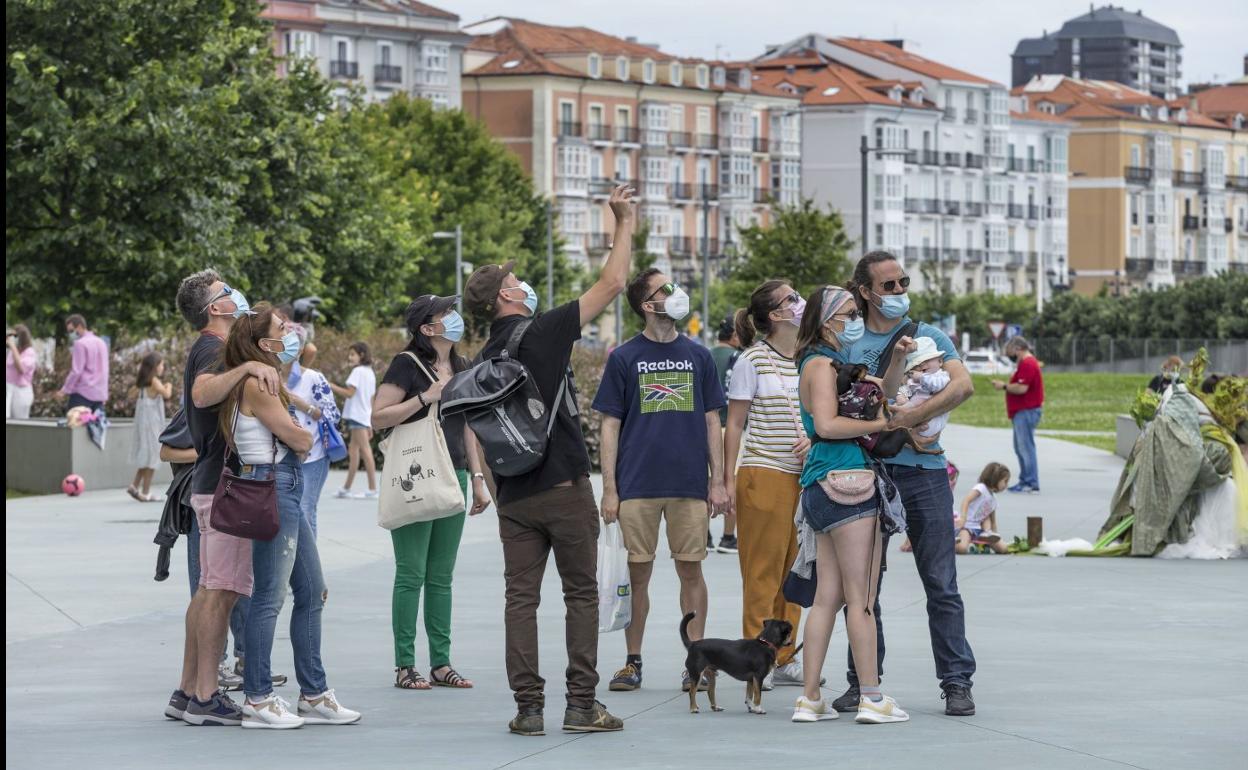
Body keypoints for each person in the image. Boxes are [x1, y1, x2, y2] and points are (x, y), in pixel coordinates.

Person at [463, 183, 635, 737]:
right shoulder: (542, 332)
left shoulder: (486, 354)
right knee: (581, 593)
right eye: (513, 281)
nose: (521, 283)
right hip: (563, 484)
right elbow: (612, 282)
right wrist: (623, 221)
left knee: (521, 599)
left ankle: (528, 708)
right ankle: (582, 706)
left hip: (514, 495)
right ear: (506, 299)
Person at [825, 250, 978, 718]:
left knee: (941, 583)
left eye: (902, 282)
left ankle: (956, 682)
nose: (898, 293)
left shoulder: (927, 335)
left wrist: (912, 416)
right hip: (867, 473)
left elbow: (962, 385)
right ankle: (862, 682)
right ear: (865, 292)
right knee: (864, 586)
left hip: (926, 475)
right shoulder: (846, 342)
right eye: (888, 286)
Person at [222, 302, 360, 729]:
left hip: (284, 486)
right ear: (265, 343)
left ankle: (313, 692)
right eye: (284, 328)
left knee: (312, 590)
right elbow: (298, 439)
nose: (293, 333)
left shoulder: (267, 379)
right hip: (272, 485)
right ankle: (259, 698)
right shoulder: (257, 384)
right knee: (269, 596)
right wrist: (302, 432)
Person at [594, 270, 727, 694]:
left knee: (691, 570)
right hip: (636, 485)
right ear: (646, 305)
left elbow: (712, 421)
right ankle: (632, 662)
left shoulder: (700, 355)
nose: (675, 293)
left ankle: (698, 663)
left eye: (675, 286)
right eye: (664, 290)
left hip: (689, 484)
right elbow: (610, 425)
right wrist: (610, 488)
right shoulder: (623, 357)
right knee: (637, 576)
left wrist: (719, 480)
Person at [790, 285, 910, 725]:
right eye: (849, 312)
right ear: (826, 321)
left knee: (826, 598)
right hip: (850, 482)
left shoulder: (820, 364)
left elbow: (885, 390)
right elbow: (827, 423)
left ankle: (809, 698)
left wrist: (896, 358)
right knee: (861, 600)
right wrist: (881, 423)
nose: (856, 318)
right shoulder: (823, 366)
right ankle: (872, 696)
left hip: (819, 485)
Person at [167, 270, 282, 726]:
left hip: (210, 484)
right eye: (225, 292)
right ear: (216, 308)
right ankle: (206, 696)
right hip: (224, 487)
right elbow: (202, 393)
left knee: (209, 589)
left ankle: (188, 689)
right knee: (222, 591)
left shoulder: (209, 350)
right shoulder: (214, 349)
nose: (236, 295)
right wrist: (250, 366)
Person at [373, 294, 490, 692]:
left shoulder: (461, 366)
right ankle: (405, 664)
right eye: (446, 314)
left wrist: (477, 477)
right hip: (417, 474)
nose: (455, 318)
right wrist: (426, 397)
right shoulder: (406, 365)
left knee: (441, 577)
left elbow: (469, 424)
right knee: (411, 573)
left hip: (454, 473)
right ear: (428, 328)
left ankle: (441, 662)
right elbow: (377, 417)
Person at [724, 280, 817, 690]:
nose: (800, 303)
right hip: (764, 472)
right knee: (762, 572)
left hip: (805, 476)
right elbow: (735, 424)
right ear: (776, 315)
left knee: (797, 571)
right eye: (791, 299)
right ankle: (756, 654)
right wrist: (725, 479)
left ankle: (786, 655)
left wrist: (814, 439)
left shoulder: (810, 358)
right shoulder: (752, 360)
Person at [280, 326, 337, 539]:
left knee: (305, 509)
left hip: (313, 455)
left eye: (294, 343)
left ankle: (308, 568)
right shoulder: (268, 375)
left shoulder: (313, 378)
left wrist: (303, 406)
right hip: (280, 457)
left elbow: (331, 415)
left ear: (301, 349)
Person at [993, 336, 1044, 494]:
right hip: (1022, 411)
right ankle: (1025, 480)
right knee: (1021, 447)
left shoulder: (1028, 363)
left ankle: (1030, 482)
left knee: (1025, 447)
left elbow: (1022, 388)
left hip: (1026, 411)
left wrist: (1004, 386)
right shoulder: (1025, 363)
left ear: (1017, 349)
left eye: (1009, 352)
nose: (1010, 355)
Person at [709, 317, 741, 553]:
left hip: (704, 428)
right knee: (732, 482)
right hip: (732, 427)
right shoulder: (741, 358)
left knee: (704, 482)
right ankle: (728, 537)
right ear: (734, 336)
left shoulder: (704, 355)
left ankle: (703, 535)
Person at [331, 342, 378, 499]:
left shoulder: (357, 371)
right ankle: (346, 488)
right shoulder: (370, 373)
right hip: (363, 417)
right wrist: (370, 422)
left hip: (358, 417)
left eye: (352, 354)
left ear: (361, 355)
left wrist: (329, 385)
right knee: (354, 451)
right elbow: (371, 400)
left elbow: (349, 393)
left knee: (364, 450)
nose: (349, 357)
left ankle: (372, 489)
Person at [128, 352, 172, 502]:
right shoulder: (155, 381)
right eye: (161, 364)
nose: (162, 367)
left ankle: (134, 486)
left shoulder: (141, 384)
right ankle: (145, 492)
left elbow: (130, 395)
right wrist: (169, 385)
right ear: (154, 367)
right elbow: (166, 394)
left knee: (146, 456)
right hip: (152, 426)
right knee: (153, 456)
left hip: (142, 425)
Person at [892, 337, 952, 439]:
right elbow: (907, 388)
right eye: (917, 364)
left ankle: (898, 411)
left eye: (927, 360)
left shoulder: (941, 376)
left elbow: (937, 386)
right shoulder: (915, 379)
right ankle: (897, 412)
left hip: (932, 421)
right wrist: (900, 395)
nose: (922, 365)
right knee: (901, 404)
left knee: (909, 407)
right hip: (916, 414)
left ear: (940, 362)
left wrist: (921, 377)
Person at [57, 314, 109, 412]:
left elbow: (76, 371)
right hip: (99, 395)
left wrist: (64, 390)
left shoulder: (80, 344)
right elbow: (105, 370)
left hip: (82, 394)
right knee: (96, 426)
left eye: (71, 331)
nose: (70, 334)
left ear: (80, 326)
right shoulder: (101, 343)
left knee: (76, 426)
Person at [955, 463, 1011, 555]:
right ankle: (947, 544)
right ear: (995, 478)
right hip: (967, 526)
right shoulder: (981, 488)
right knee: (962, 549)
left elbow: (993, 521)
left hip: (982, 532)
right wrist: (963, 518)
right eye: (1005, 481)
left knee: (1003, 549)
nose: (1006, 485)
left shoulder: (993, 500)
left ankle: (984, 538)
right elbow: (966, 500)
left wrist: (996, 536)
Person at [6, 324, 37, 419]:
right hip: (10, 389)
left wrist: (13, 347)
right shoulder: (12, 352)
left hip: (21, 392)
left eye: (14, 336)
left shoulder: (30, 353)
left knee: (19, 422)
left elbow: (21, 369)